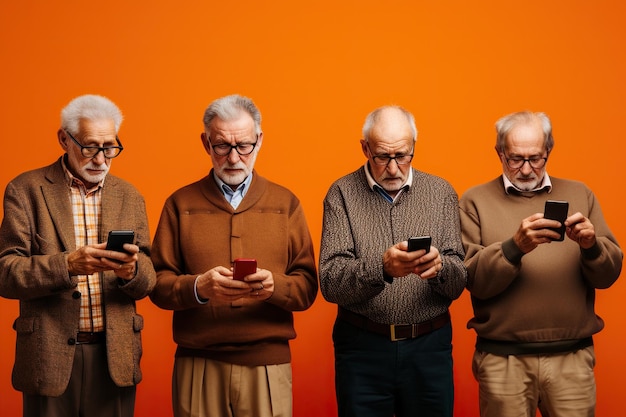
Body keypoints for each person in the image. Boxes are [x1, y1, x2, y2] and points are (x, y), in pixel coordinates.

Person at [149, 94, 318, 417]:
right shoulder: (179, 204)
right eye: (222, 146)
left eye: (244, 145)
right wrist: (199, 287)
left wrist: (274, 288)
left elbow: (308, 287)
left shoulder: (286, 203)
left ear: (260, 140)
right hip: (197, 361)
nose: (234, 157)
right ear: (206, 143)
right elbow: (157, 284)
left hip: (268, 364)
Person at [0, 94, 157, 417]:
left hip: (114, 356)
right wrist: (67, 264)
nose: (101, 159)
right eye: (90, 146)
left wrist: (132, 271)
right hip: (48, 355)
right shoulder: (25, 190)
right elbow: (6, 273)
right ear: (64, 139)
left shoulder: (129, 196)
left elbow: (149, 278)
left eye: (110, 147)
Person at [459, 110, 623, 417]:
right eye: (515, 159)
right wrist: (515, 246)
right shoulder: (474, 201)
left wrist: (591, 246)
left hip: (572, 359)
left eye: (535, 158)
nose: (525, 169)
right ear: (500, 153)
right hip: (502, 360)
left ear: (548, 151)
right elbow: (473, 280)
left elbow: (609, 275)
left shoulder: (580, 193)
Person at [319, 105, 467, 417]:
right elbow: (331, 282)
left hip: (429, 347)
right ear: (365, 148)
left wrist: (441, 269)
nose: (393, 167)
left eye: (403, 155)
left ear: (414, 147)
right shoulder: (341, 194)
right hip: (362, 348)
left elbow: (457, 283)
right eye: (382, 156)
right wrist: (382, 269)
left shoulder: (442, 193)